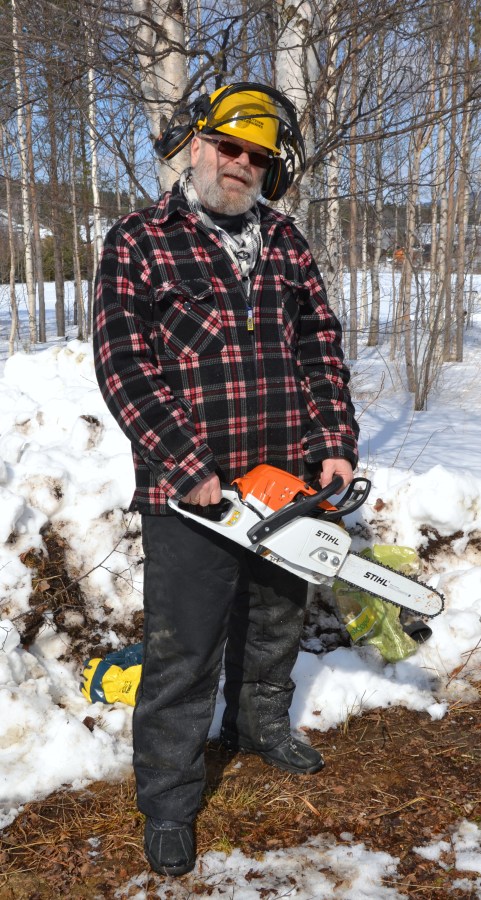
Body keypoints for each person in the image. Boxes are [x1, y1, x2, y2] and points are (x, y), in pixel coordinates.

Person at [93, 82, 359, 878]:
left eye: (256, 156)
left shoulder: (283, 239)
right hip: (192, 494)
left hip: (282, 479)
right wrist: (186, 463)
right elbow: (123, 364)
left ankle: (259, 726)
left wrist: (332, 442)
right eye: (228, 146)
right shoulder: (139, 239)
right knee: (183, 649)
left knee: (275, 619)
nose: (240, 164)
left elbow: (317, 344)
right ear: (197, 145)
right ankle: (169, 800)